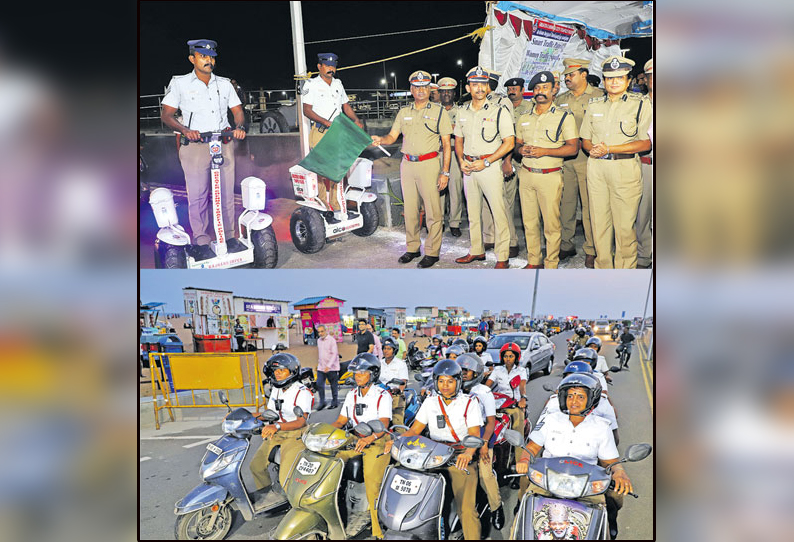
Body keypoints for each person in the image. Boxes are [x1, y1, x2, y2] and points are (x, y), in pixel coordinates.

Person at [516, 373, 633, 539]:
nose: (574, 401)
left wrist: (619, 471)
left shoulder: (602, 427)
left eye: (580, 396)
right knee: (525, 506)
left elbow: (610, 461)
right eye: (570, 395)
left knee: (611, 501)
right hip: (548, 481)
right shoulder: (550, 419)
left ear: (591, 399)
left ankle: (609, 524)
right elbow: (532, 447)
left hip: (586, 484)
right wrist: (524, 459)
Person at [160, 39, 246, 259]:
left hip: (222, 143)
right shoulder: (180, 83)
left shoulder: (224, 84)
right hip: (195, 146)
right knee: (198, 195)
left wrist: (239, 126)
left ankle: (229, 236)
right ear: (192, 59)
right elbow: (167, 115)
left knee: (226, 193)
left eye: (211, 57)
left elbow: (237, 110)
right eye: (203, 56)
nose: (208, 60)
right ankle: (201, 240)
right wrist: (185, 129)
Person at [386, 360, 484, 540]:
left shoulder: (469, 403)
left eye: (450, 381)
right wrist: (396, 441)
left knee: (467, 509)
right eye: (441, 381)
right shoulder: (431, 402)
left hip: (458, 455)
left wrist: (468, 454)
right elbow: (415, 430)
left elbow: (474, 434)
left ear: (458, 382)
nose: (445, 386)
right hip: (433, 454)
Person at [371, 70, 452, 268]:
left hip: (430, 164)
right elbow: (392, 137)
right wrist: (381, 139)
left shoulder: (439, 111)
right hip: (407, 165)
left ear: (429, 89)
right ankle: (413, 248)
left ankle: (432, 252)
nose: (421, 90)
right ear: (411, 90)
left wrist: (445, 172)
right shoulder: (403, 112)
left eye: (425, 86)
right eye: (417, 87)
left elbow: (447, 144)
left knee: (433, 211)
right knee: (410, 210)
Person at [580, 56, 653, 268]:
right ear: (603, 80)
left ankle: (625, 274)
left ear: (628, 80)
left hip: (625, 169)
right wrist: (591, 149)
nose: (614, 82)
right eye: (609, 78)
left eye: (619, 78)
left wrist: (610, 149)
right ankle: (603, 271)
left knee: (624, 228)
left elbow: (645, 144)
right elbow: (585, 138)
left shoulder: (640, 105)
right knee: (599, 225)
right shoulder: (593, 105)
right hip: (597, 169)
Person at [322, 354, 392, 538]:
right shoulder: (352, 395)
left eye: (362, 373)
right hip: (354, 439)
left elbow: (384, 424)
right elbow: (341, 421)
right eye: (356, 373)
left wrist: (368, 439)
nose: (358, 376)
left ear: (373, 374)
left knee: (372, 483)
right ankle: (333, 513)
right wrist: (324, 433)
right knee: (329, 462)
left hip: (377, 441)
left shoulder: (382, 395)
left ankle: (377, 529)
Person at [514, 71, 579, 269]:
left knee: (551, 225)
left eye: (545, 88)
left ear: (554, 90)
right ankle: (533, 261)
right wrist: (520, 149)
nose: (540, 92)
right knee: (529, 222)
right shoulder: (524, 117)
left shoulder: (564, 117)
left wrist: (545, 151)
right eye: (537, 88)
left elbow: (573, 147)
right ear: (532, 92)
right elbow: (517, 145)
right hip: (526, 175)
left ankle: (551, 263)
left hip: (549, 176)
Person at [454, 66, 516, 269]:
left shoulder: (499, 111)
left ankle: (502, 256)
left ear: (488, 87)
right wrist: (461, 160)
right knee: (473, 213)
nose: (479, 88)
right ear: (469, 87)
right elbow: (458, 140)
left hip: (489, 167)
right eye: (474, 84)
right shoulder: (462, 111)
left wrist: (488, 161)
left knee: (498, 212)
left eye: (482, 84)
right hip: (469, 167)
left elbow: (509, 142)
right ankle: (477, 250)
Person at [556, 58, 606, 268]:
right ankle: (566, 244)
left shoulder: (599, 96)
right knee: (565, 205)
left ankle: (592, 248)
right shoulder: (560, 100)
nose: (567, 78)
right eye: (566, 75)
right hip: (566, 160)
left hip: (590, 160)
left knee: (590, 206)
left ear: (584, 75)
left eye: (571, 74)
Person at [302, 52, 364, 216]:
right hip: (321, 131)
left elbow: (346, 106)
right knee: (322, 169)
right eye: (327, 66)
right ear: (319, 67)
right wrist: (325, 122)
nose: (331, 69)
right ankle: (323, 205)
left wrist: (356, 120)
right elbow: (306, 110)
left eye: (333, 66)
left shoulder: (338, 84)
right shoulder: (311, 84)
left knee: (339, 168)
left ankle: (337, 205)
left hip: (338, 132)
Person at [249, 353, 313, 505]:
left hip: (295, 435)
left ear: (292, 372)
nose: (277, 374)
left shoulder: (302, 392)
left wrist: (276, 425)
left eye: (281, 371)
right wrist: (244, 415)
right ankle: (267, 497)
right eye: (275, 371)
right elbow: (269, 413)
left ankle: (296, 506)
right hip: (276, 433)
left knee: (285, 476)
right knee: (256, 466)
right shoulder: (276, 389)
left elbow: (301, 422)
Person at [457, 353, 505, 529]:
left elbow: (491, 422)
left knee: (485, 474)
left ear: (476, 373)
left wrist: (484, 443)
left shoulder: (483, 392)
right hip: (462, 433)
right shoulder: (455, 389)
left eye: (467, 370)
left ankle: (496, 507)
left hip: (483, 433)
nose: (463, 373)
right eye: (461, 370)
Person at [537, 361, 618, 444]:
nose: (574, 384)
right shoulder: (554, 402)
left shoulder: (602, 403)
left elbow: (614, 439)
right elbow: (539, 433)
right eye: (570, 380)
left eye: (580, 380)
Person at [485, 342, 528, 490]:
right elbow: (488, 384)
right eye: (505, 356)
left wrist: (523, 398)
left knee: (517, 435)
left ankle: (518, 470)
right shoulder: (497, 370)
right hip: (498, 404)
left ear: (516, 357)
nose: (508, 358)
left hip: (514, 406)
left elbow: (522, 385)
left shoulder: (521, 371)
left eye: (511, 356)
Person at [437, 77, 464, 237]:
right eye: (443, 91)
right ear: (439, 93)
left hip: (454, 153)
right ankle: (438, 221)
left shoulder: (461, 112)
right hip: (437, 153)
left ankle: (455, 222)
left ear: (454, 93)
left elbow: (465, 131)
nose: (446, 94)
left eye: (449, 91)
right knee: (437, 189)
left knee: (455, 189)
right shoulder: (433, 111)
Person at [636, 58, 654, 269]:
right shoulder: (636, 105)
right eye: (652, 77)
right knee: (642, 214)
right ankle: (643, 256)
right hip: (644, 164)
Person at [379, 337, 409, 426]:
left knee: (397, 423)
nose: (386, 351)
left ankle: (401, 438)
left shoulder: (401, 364)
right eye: (384, 348)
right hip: (380, 396)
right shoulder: (379, 363)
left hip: (395, 396)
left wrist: (398, 390)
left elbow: (403, 382)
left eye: (389, 349)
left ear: (394, 350)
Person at [315, 324, 340, 410]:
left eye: (322, 331)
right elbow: (321, 354)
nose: (321, 333)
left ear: (326, 331)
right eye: (319, 332)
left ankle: (335, 402)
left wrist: (329, 366)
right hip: (321, 367)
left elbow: (334, 354)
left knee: (333, 385)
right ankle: (322, 401)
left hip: (332, 367)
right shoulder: (319, 341)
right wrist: (320, 365)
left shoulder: (331, 340)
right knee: (319, 384)